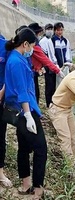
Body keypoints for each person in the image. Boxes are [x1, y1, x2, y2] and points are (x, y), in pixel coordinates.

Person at [5, 28, 47, 200]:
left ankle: (26, 184)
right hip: (24, 111)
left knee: (24, 148)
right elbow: (22, 91)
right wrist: (29, 116)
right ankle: (37, 190)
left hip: (24, 110)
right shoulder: (16, 62)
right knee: (41, 149)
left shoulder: (17, 59)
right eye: (32, 47)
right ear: (25, 44)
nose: (32, 51)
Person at [27, 23, 65, 104]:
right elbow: (45, 59)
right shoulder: (35, 46)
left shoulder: (48, 41)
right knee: (34, 92)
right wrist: (57, 70)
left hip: (34, 71)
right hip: (32, 72)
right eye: (38, 34)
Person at [39, 23, 63, 107]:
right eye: (48, 29)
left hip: (53, 65)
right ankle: (49, 103)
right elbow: (45, 55)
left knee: (54, 85)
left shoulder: (51, 40)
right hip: (47, 66)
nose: (50, 31)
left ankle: (53, 103)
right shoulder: (43, 41)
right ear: (45, 30)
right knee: (49, 86)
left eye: (51, 29)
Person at [0, 36, 12, 188]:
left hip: (0, 99)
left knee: (0, 137)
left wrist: (2, 92)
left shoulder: (5, 45)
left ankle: (0, 173)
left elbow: (9, 73)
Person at [50, 22, 72, 87]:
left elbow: (68, 52)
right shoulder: (52, 40)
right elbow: (52, 53)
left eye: (61, 30)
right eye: (58, 30)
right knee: (57, 85)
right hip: (57, 67)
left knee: (66, 83)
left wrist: (68, 62)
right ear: (55, 30)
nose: (60, 32)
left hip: (65, 66)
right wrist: (55, 65)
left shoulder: (65, 41)